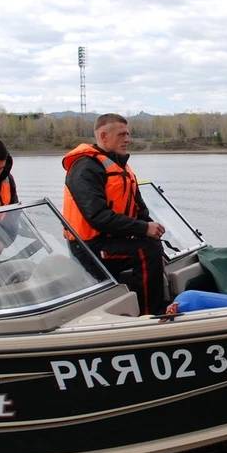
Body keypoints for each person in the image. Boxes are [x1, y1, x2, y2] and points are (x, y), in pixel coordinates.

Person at [62, 113, 167, 315]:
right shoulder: (85, 169)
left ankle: (158, 303)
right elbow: (98, 217)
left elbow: (141, 211)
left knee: (153, 245)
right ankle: (151, 315)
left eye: (128, 134)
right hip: (88, 248)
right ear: (103, 136)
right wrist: (144, 229)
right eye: (121, 135)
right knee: (145, 250)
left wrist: (151, 230)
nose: (127, 139)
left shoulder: (120, 167)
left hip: (111, 240)